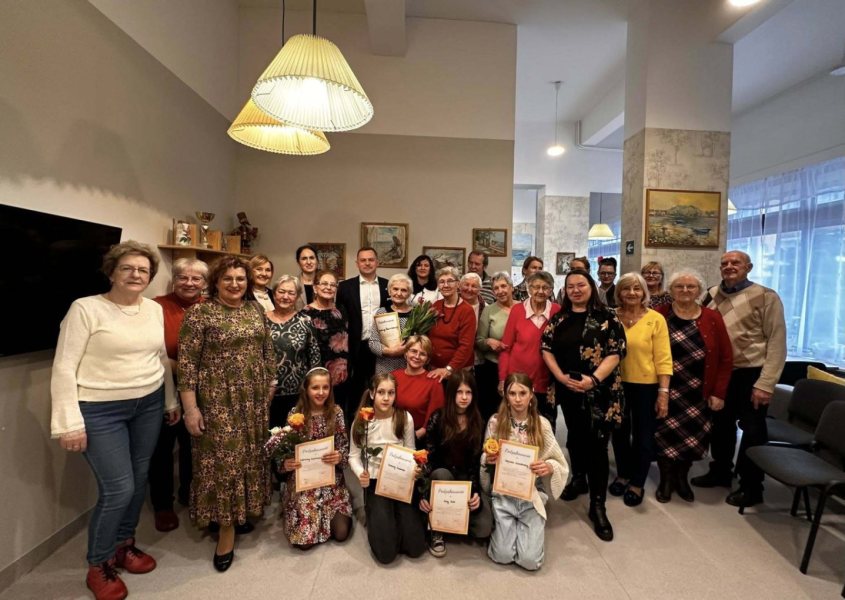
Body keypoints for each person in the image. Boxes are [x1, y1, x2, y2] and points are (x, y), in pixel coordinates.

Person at [51, 241, 178, 599]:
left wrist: (169, 399)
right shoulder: (86, 309)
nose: (136, 275)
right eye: (127, 268)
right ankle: (99, 563)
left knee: (138, 481)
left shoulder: (152, 309)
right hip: (100, 409)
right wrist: (68, 422)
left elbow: (160, 358)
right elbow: (64, 366)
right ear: (111, 272)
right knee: (118, 488)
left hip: (148, 404)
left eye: (143, 270)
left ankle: (124, 544)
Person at [179, 255, 276, 572]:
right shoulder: (200, 313)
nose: (235, 284)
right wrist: (190, 408)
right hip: (217, 401)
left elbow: (267, 350)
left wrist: (270, 385)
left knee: (250, 456)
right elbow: (187, 366)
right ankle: (225, 529)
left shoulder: (254, 310)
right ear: (216, 282)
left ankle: (242, 511)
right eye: (228, 279)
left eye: (241, 278)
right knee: (225, 463)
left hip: (254, 400)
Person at [692, 251, 786, 508]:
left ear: (749, 267)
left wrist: (766, 384)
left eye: (736, 263)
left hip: (750, 374)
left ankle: (752, 486)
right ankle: (721, 471)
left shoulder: (766, 296)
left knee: (753, 431)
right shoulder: (711, 294)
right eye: (725, 263)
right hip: (720, 374)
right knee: (720, 426)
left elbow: (777, 342)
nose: (729, 266)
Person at [541, 268, 626, 542]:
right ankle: (578, 479)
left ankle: (598, 505)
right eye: (570, 286)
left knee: (598, 446)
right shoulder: (560, 318)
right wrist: (559, 376)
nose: (576, 290)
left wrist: (593, 380)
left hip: (600, 391)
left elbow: (616, 352)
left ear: (591, 287)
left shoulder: (608, 317)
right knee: (575, 438)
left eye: (581, 285)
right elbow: (546, 348)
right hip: (568, 389)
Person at [654, 270, 732, 503]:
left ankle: (682, 478)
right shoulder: (659, 314)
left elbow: (726, 358)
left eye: (691, 287)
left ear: (699, 290)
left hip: (698, 390)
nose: (685, 291)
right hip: (665, 388)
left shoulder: (712, 317)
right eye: (679, 286)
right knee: (663, 434)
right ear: (671, 290)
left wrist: (719, 392)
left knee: (692, 437)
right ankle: (666, 479)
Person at [481, 373, 568, 571]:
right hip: (504, 492)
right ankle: (508, 526)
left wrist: (549, 466)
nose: (518, 399)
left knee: (530, 561)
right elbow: (485, 454)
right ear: (506, 396)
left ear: (531, 395)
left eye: (522, 393)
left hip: (531, 494)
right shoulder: (495, 422)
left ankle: (528, 524)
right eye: (512, 393)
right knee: (502, 555)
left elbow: (558, 461)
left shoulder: (541, 424)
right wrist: (488, 458)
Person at [150, 258, 208, 533]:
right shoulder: (156, 307)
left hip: (203, 388)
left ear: (205, 283)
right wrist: (184, 367)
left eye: (196, 278)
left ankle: (189, 491)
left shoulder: (210, 307)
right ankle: (163, 505)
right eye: (183, 277)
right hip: (165, 386)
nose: (189, 283)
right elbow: (154, 351)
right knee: (163, 447)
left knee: (194, 443)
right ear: (174, 279)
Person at [609, 273, 672, 507]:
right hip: (616, 385)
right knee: (619, 433)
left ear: (644, 292)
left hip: (646, 386)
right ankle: (623, 474)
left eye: (637, 288)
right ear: (619, 293)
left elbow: (664, 358)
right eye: (626, 289)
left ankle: (637, 482)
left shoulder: (656, 319)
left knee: (643, 437)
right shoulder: (610, 317)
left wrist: (663, 393)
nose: (632, 293)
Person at [349, 373, 424, 563]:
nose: (386, 398)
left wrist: (414, 468)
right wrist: (360, 473)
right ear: (372, 393)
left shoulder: (404, 418)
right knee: (386, 555)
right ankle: (378, 516)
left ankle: (395, 519)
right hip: (375, 481)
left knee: (415, 548)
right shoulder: (362, 421)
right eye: (381, 392)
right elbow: (353, 456)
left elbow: (411, 450)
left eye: (391, 393)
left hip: (399, 479)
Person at [420, 371, 492, 557]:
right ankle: (438, 529)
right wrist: (424, 494)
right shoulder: (438, 418)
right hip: (441, 479)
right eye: (459, 392)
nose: (464, 397)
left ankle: (452, 520)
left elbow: (476, 463)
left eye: (468, 392)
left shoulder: (478, 421)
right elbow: (429, 459)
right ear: (451, 393)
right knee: (442, 474)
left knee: (484, 528)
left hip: (465, 481)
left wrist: (475, 493)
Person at [279, 367, 353, 549]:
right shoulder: (295, 415)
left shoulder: (336, 412)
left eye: (325, 387)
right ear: (306, 389)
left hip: (330, 479)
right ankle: (288, 498)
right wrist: (286, 464)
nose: (321, 392)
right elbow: (284, 452)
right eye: (315, 388)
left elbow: (344, 449)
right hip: (305, 481)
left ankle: (332, 512)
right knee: (304, 543)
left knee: (341, 533)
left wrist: (339, 456)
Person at [498, 271, 561, 429]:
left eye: (545, 288)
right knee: (516, 428)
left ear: (551, 290)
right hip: (518, 381)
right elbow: (505, 348)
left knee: (545, 427)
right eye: (536, 287)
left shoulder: (557, 311)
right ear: (528, 288)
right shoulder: (517, 310)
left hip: (547, 382)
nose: (540, 291)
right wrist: (502, 378)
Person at [336, 247, 389, 412]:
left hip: (381, 346)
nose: (367, 263)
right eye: (363, 260)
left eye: (371, 260)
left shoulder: (388, 286)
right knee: (355, 389)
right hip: (355, 346)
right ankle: (354, 422)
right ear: (357, 263)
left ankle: (379, 418)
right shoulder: (344, 287)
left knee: (379, 386)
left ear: (377, 262)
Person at [266, 275, 321, 428]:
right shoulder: (262, 320)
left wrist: (314, 388)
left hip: (297, 393)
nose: (285, 296)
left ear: (297, 297)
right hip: (266, 393)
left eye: (291, 293)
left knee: (293, 435)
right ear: (274, 293)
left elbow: (315, 358)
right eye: (281, 291)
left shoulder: (306, 321)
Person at [301, 270, 351, 415]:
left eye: (333, 285)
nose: (328, 287)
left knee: (338, 415)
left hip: (341, 376)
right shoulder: (306, 313)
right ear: (315, 288)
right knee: (317, 415)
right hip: (317, 376)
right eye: (324, 283)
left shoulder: (341, 310)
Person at [475, 272, 515, 421]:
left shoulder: (522, 307)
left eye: (503, 286)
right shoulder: (489, 310)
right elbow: (479, 340)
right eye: (496, 288)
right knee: (492, 412)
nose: (500, 291)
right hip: (493, 368)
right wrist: (488, 342)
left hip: (518, 367)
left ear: (511, 287)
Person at [426, 267, 477, 382]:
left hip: (458, 373)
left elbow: (466, 346)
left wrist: (449, 368)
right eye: (441, 282)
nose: (446, 285)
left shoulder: (466, 311)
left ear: (458, 284)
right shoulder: (435, 306)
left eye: (450, 281)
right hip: (435, 370)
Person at [393, 335, 445, 440]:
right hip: (391, 432)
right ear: (406, 353)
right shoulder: (393, 376)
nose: (417, 356)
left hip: (418, 437)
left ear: (427, 359)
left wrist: (413, 437)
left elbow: (434, 419)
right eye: (413, 351)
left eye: (422, 354)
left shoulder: (434, 382)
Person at [368, 274, 414, 374]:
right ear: (389, 291)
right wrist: (390, 352)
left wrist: (407, 349)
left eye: (404, 290)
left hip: (409, 367)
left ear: (409, 293)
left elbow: (421, 342)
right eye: (395, 289)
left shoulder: (416, 313)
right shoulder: (381, 312)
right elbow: (373, 342)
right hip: (384, 367)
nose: (399, 293)